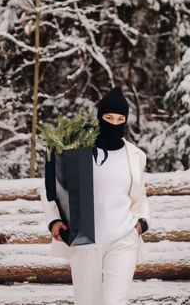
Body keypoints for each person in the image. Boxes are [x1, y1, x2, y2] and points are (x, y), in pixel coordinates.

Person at [40, 86, 150, 305]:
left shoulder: (135, 155)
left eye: (121, 119)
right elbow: (51, 187)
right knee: (87, 301)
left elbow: (140, 195)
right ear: (99, 117)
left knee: (114, 302)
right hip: (85, 239)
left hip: (123, 238)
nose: (115, 123)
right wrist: (54, 219)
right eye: (109, 117)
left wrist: (141, 224)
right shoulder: (79, 150)